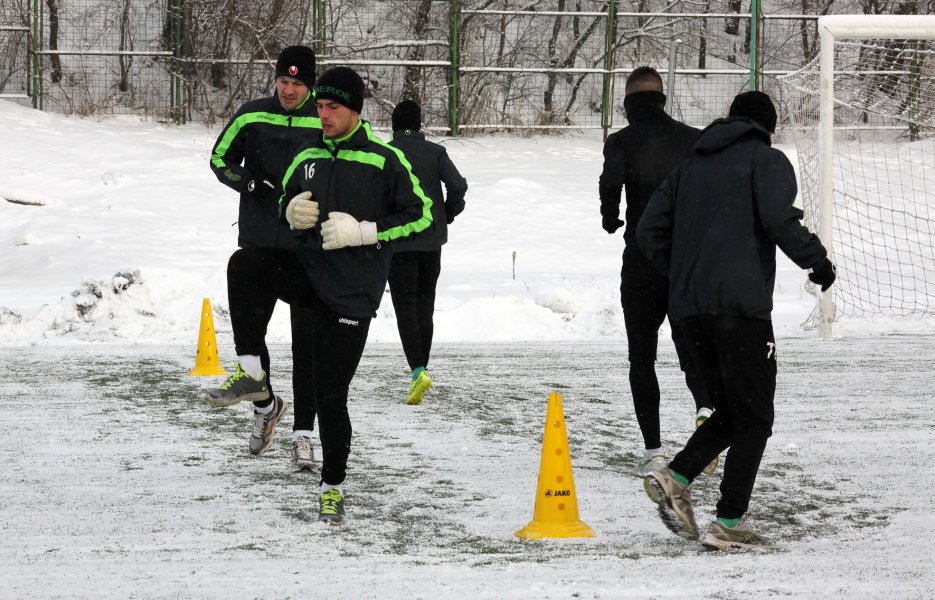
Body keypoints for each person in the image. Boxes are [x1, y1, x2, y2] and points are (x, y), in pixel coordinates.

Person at [207, 66, 434, 524]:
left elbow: (424, 215)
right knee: (245, 264)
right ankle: (252, 371)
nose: (323, 114)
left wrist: (367, 231)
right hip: (308, 276)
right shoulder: (308, 155)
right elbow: (282, 197)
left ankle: (332, 485)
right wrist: (289, 209)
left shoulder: (384, 159)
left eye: (332, 108)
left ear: (354, 110)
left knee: (330, 395)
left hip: (351, 293)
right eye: (322, 106)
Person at [636, 90, 837, 551]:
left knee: (730, 409)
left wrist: (684, 271)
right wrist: (817, 262)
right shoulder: (765, 160)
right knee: (756, 418)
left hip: (688, 312)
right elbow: (779, 220)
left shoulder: (688, 166)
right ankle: (728, 522)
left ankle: (677, 476)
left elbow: (648, 231)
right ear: (767, 127)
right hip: (738, 311)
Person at [206, 46, 323, 474]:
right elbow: (220, 159)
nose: (289, 90)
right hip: (258, 244)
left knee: (307, 347)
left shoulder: (324, 119)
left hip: (308, 252)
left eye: (298, 83)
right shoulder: (252, 115)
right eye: (284, 81)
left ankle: (304, 437)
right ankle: (267, 406)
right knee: (251, 339)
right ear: (275, 79)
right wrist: (250, 183)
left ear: (310, 85)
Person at [598, 66, 715, 477]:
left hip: (642, 262)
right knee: (693, 348)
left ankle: (653, 449)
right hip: (685, 263)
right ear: (662, 99)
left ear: (629, 103)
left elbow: (611, 182)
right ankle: (705, 408)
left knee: (642, 356)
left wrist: (610, 217)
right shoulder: (694, 138)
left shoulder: (622, 141)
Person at [387, 99, 468, 405]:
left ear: (395, 125)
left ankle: (417, 369)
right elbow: (458, 185)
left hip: (399, 240)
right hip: (432, 241)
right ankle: (423, 368)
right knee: (425, 304)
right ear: (419, 125)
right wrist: (447, 213)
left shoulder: (386, 153)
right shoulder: (435, 152)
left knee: (405, 306)